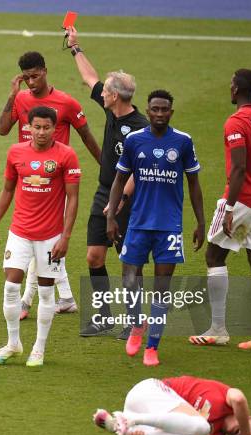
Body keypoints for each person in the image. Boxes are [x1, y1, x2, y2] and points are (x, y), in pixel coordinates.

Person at [0, 51, 100, 320]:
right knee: (38, 244)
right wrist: (12, 95)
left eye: (35, 76)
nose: (31, 82)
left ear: (45, 70)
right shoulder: (20, 99)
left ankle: (26, 301)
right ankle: (65, 297)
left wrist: (107, 167)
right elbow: (2, 129)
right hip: (27, 179)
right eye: (27, 77)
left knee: (39, 242)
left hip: (56, 181)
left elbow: (87, 136)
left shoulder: (66, 102)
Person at [106, 90, 205, 366]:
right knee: (129, 280)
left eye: (164, 110)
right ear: (147, 111)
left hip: (169, 227)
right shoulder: (134, 141)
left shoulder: (183, 142)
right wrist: (111, 216)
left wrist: (200, 221)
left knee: (162, 288)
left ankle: (152, 347)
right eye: (155, 109)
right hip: (138, 224)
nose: (159, 114)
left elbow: (194, 184)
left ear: (171, 112)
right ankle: (138, 324)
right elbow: (118, 180)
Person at [65, 27, 150, 338]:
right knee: (94, 256)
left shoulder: (141, 129)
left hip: (128, 199)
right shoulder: (113, 110)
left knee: (129, 262)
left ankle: (134, 321)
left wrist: (118, 205)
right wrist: (76, 48)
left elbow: (140, 176)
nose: (99, 93)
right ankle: (102, 318)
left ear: (115, 96)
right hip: (105, 193)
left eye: (105, 92)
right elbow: (90, 78)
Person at [189, 69, 251, 352]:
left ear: (236, 89)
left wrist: (229, 208)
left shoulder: (236, 122)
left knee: (214, 255)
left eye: (230, 85)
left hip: (242, 201)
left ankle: (218, 329)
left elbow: (239, 168)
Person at [0, 106, 81, 367]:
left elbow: (73, 198)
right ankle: (13, 343)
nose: (41, 132)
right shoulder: (16, 152)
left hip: (50, 236)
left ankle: (38, 348)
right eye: (36, 127)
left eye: (46, 127)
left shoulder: (66, 155)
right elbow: (7, 190)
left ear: (55, 128)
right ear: (28, 128)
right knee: (10, 286)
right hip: (19, 232)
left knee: (46, 291)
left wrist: (66, 237)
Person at [93, 376, 251, 435]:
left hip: (144, 416)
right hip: (148, 391)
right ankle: (131, 420)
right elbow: (239, 399)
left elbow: (169, 432)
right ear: (249, 418)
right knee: (202, 427)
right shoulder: (226, 396)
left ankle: (118, 425)